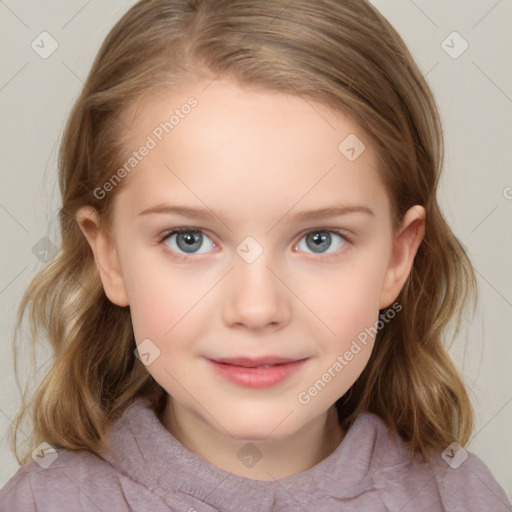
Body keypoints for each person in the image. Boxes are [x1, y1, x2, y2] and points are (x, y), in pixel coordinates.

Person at [1, 0, 510, 510]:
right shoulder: (47, 502)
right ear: (108, 256)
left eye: (319, 239)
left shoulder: (461, 497)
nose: (257, 308)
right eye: (189, 239)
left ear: (398, 257)